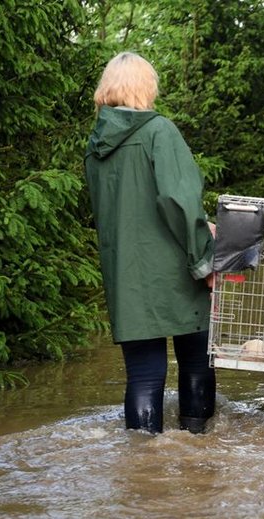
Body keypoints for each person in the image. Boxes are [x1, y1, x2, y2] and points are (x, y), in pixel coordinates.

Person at [84, 52, 217, 434]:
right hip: (176, 269)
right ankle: (199, 447)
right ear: (146, 87)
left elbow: (125, 209)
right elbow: (178, 201)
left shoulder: (96, 146)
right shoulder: (160, 131)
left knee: (143, 374)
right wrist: (204, 262)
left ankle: (143, 462)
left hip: (126, 275)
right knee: (197, 359)